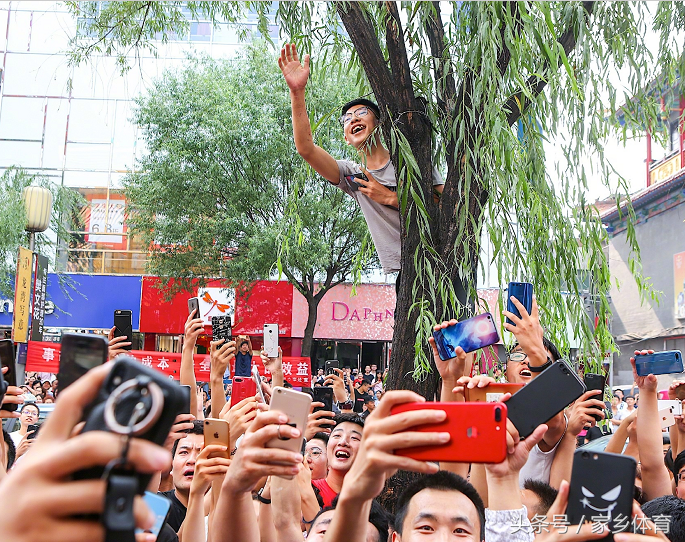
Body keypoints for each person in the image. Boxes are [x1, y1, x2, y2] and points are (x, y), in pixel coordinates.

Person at [279, 43, 445, 281]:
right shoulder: (352, 175)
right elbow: (306, 149)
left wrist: (391, 198)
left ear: (378, 124)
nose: (353, 118)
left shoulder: (410, 161)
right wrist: (297, 92)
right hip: (407, 274)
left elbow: (447, 208)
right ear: (346, 138)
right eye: (346, 119)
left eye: (362, 113)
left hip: (442, 262)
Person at [309, 413, 364, 507]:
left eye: (354, 438)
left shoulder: (371, 500)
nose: (343, 442)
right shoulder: (307, 490)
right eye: (337, 435)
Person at [159, 420, 205, 532]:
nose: (192, 460)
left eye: (201, 453)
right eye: (184, 452)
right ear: (171, 465)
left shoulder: (223, 509)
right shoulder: (157, 506)